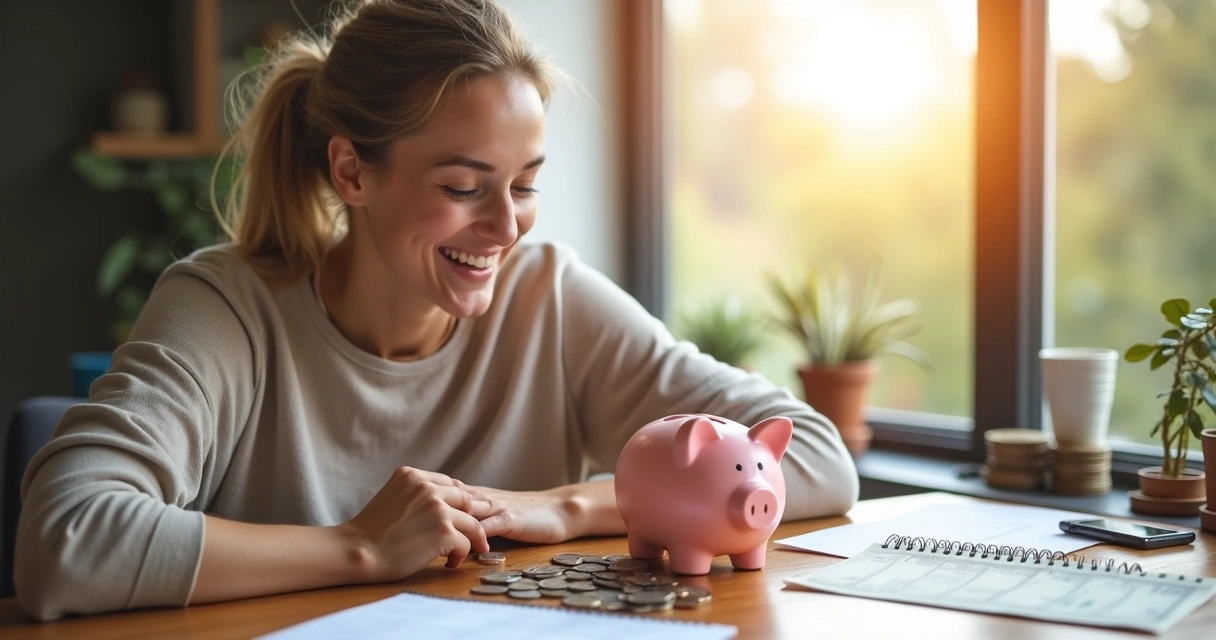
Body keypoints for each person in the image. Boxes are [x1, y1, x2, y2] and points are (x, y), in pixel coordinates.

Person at [15, 0, 858, 620]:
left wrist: (568, 506)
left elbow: (816, 456)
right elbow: (66, 541)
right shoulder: (227, 309)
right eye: (462, 188)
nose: (504, 227)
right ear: (353, 174)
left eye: (525, 185)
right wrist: (364, 546)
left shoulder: (551, 297)